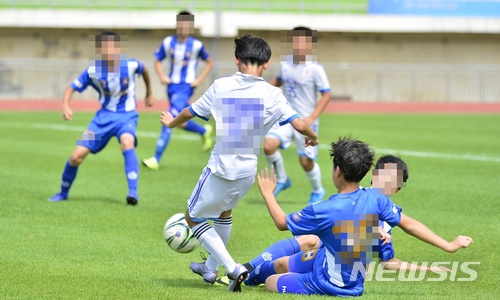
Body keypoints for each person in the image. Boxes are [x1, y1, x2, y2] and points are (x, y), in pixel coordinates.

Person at [159, 34, 319, 293]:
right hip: (247, 172)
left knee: (193, 217)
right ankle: (209, 269)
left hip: (221, 168)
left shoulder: (221, 86)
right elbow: (299, 123)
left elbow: (191, 111)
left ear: (236, 60)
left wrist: (171, 122)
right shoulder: (272, 94)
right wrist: (312, 136)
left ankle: (233, 268)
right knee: (224, 213)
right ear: (266, 64)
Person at [254, 136, 473, 296]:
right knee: (282, 263)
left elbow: (282, 223)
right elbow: (410, 224)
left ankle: (247, 275)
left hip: (329, 282)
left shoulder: (324, 209)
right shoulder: (377, 199)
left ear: (337, 170)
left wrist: (267, 193)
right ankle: (245, 270)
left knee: (272, 281)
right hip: (327, 261)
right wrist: (448, 245)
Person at [214, 154, 457, 286]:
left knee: (280, 271)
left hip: (339, 265)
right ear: (373, 176)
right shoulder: (361, 199)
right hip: (328, 250)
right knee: (292, 254)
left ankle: (244, 274)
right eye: (385, 178)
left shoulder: (384, 209)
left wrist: (432, 263)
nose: (387, 186)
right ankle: (244, 270)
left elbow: (390, 259)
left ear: (398, 190)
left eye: (394, 183)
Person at [48, 32, 154, 205]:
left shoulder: (131, 65)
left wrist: (149, 92)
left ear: (118, 48)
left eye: (112, 47)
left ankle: (133, 193)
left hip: (126, 117)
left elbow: (145, 70)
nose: (109, 50)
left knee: (127, 142)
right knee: (76, 156)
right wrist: (66, 105)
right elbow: (71, 88)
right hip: (102, 121)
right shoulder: (94, 71)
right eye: (104, 47)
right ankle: (62, 193)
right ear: (99, 50)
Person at [265, 26, 332, 204]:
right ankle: (283, 179)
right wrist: (259, 88)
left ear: (310, 45)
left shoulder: (315, 69)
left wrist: (311, 117)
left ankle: (318, 191)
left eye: (303, 42)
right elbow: (277, 82)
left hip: (306, 122)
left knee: (305, 162)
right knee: (268, 145)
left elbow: (327, 94)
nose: (299, 45)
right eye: (296, 41)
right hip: (286, 118)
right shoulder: (286, 65)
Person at [142, 10, 214, 171]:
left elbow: (209, 62)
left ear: (191, 26)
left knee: (170, 117)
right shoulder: (168, 42)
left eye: (186, 24)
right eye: (180, 23)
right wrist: (162, 76)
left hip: (186, 87)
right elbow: (157, 61)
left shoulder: (196, 45)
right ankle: (203, 131)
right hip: (171, 87)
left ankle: (156, 158)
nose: (183, 27)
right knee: (178, 121)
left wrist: (198, 80)